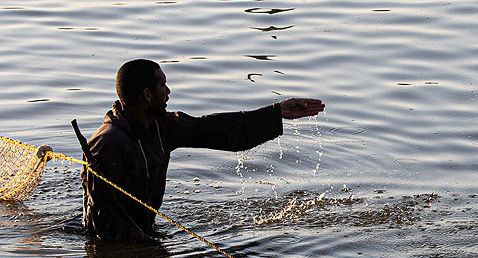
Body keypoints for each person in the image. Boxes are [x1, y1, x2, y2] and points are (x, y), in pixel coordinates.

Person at [80, 59, 325, 241]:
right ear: (147, 94)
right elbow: (98, 213)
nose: (168, 92)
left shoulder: (162, 127)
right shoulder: (108, 142)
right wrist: (140, 242)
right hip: (112, 244)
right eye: (163, 85)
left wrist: (275, 113)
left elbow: (214, 129)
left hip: (145, 232)